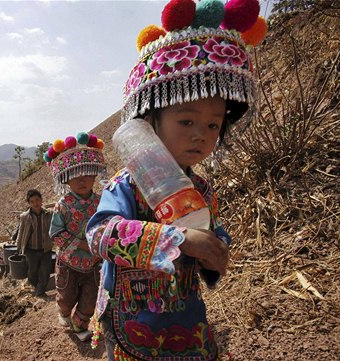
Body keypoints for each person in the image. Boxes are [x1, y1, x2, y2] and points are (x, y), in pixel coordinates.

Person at [86, 1, 267, 360]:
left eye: (213, 125)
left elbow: (210, 232)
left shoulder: (202, 190)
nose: (201, 134)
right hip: (130, 320)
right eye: (187, 121)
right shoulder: (126, 184)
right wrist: (178, 239)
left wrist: (214, 251)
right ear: (150, 121)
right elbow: (100, 234)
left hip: (185, 317)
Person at [45, 131, 108, 342]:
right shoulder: (62, 206)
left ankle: (80, 325)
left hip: (94, 262)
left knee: (90, 298)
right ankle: (63, 311)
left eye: (88, 174)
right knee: (66, 297)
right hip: (68, 262)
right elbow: (55, 232)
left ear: (94, 174)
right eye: (75, 176)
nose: (82, 180)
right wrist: (80, 243)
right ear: (66, 179)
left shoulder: (102, 202)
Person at [16, 189, 53, 297]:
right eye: (32, 201)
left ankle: (40, 292)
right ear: (29, 203)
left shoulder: (49, 214)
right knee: (32, 272)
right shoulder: (24, 217)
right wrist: (18, 247)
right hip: (31, 250)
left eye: (37, 200)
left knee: (45, 272)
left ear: (41, 200)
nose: (35, 203)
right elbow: (21, 233)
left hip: (45, 249)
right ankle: (36, 287)